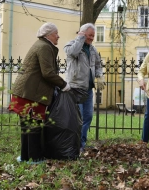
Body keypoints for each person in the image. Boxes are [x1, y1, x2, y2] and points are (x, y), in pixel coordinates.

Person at [8, 22, 70, 163]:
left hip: (24, 91)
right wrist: (64, 84)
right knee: (34, 125)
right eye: (56, 33)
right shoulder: (44, 47)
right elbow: (47, 73)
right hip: (31, 93)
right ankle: (34, 158)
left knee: (27, 125)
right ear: (48, 35)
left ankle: (25, 156)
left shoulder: (40, 45)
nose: (58, 36)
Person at [64, 23, 105, 152]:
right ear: (82, 34)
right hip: (75, 88)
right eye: (89, 35)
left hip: (88, 89)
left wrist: (99, 76)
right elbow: (72, 53)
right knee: (78, 118)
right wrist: (80, 39)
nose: (92, 38)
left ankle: (81, 144)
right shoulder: (72, 45)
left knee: (88, 117)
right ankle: (74, 145)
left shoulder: (92, 50)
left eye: (93, 35)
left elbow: (98, 65)